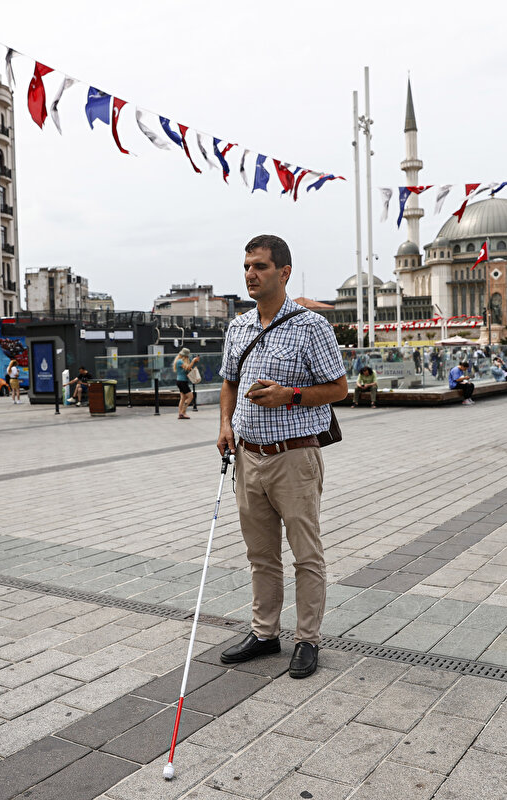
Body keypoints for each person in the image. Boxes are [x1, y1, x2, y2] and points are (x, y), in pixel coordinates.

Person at [216, 234, 347, 680]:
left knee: (306, 554)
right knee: (260, 554)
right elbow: (229, 382)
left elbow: (338, 388)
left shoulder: (311, 326)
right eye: (247, 266)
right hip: (248, 457)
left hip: (294, 457)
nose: (251, 274)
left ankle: (307, 639)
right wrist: (225, 425)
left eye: (260, 267)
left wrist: (289, 395)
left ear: (283, 272)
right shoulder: (238, 327)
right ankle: (265, 632)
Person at [173, 348, 199, 420]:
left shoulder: (180, 361)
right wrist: (193, 361)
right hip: (182, 381)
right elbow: (188, 367)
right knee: (190, 396)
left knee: (183, 398)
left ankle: (180, 413)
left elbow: (188, 369)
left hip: (181, 381)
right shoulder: (179, 361)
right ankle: (183, 412)